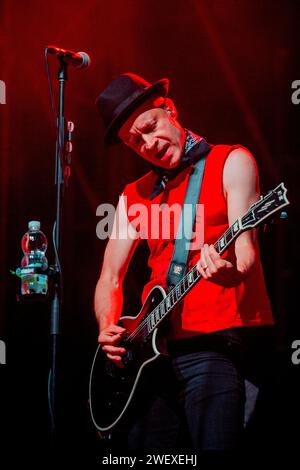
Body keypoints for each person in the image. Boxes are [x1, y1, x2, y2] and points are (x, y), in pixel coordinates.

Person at [93, 73, 274, 452]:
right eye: (134, 141)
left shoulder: (232, 162)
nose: (147, 144)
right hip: (149, 357)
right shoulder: (133, 195)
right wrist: (108, 326)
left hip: (214, 344)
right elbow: (110, 275)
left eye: (150, 127)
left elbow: (247, 257)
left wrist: (228, 272)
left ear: (169, 110)